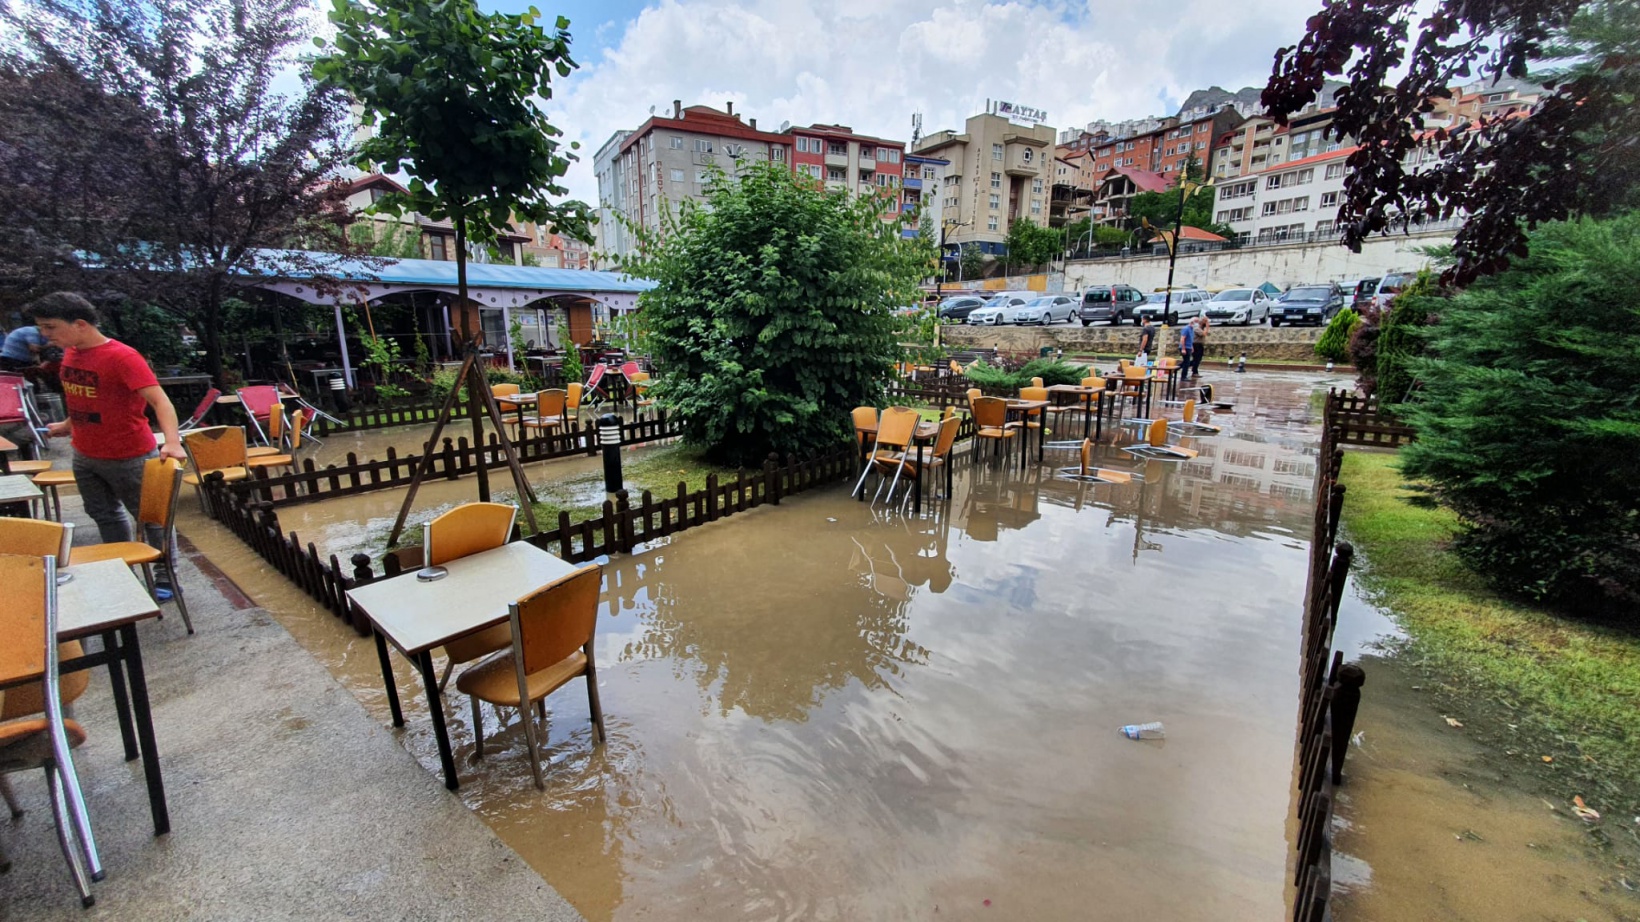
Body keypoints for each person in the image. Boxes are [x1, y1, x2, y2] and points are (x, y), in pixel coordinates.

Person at [32, 293, 187, 595]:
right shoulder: (72, 353)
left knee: (150, 519)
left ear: (79, 324)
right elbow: (81, 394)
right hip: (85, 452)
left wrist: (172, 441)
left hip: (128, 454)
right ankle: (123, 569)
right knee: (104, 515)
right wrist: (67, 424)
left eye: (50, 327)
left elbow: (159, 400)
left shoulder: (122, 357)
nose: (45, 335)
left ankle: (167, 575)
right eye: (42, 327)